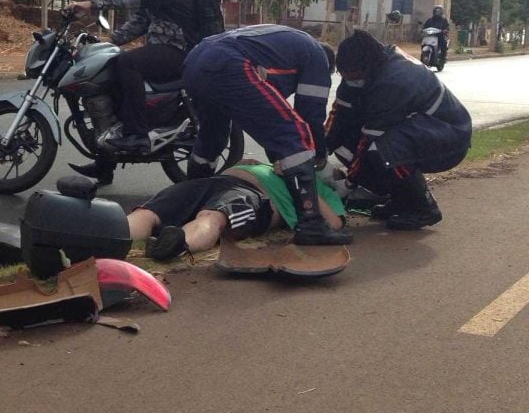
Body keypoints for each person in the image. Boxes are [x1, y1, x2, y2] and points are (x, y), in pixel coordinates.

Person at [181, 24, 351, 246]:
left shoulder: (282, 49)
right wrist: (319, 159)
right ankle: (311, 225)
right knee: (294, 134)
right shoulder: (316, 56)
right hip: (229, 63)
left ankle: (188, 202)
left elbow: (269, 124)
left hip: (195, 62)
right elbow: (310, 115)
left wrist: (280, 158)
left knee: (211, 139)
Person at [65, 0, 198, 185]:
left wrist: (91, 4)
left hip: (177, 51)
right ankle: (105, 163)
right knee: (114, 65)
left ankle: (137, 133)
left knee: (126, 63)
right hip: (166, 48)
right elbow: (141, 21)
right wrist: (110, 42)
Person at [326, 29, 472, 230]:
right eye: (344, 75)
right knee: (345, 147)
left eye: (354, 76)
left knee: (383, 150)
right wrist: (320, 152)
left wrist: (349, 184)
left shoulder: (394, 82)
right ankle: (402, 200)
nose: (349, 80)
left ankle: (423, 208)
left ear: (366, 68)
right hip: (420, 129)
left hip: (449, 136)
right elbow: (340, 113)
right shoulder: (364, 63)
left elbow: (368, 140)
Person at [127, 160, 348, 261]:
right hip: (218, 181)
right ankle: (109, 236)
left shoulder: (323, 192)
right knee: (149, 212)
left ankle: (177, 244)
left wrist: (303, 180)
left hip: (254, 195)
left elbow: (334, 223)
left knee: (213, 216)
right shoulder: (280, 163)